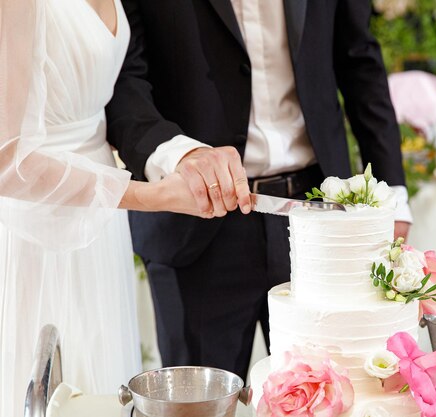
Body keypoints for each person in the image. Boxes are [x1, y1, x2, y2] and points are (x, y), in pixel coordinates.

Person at [106, 0, 413, 380]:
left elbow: (359, 60)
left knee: (330, 392)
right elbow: (123, 81)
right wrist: (178, 155)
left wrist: (393, 194)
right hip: (196, 217)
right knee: (202, 401)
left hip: (316, 215)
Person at [0, 0, 250, 415]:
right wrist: (150, 196)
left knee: (104, 383)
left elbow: (124, 102)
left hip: (100, 229)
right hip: (39, 233)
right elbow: (7, 161)